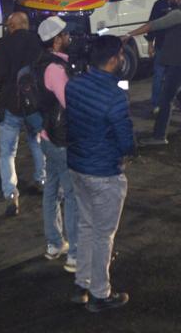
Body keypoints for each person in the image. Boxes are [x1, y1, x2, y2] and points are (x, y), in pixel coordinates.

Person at [65, 35, 135, 312]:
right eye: (120, 54)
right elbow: (126, 140)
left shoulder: (74, 86)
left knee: (86, 226)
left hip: (78, 166)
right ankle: (100, 293)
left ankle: (82, 283)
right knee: (104, 234)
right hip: (104, 171)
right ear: (113, 59)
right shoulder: (115, 96)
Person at [122, 0, 181, 146]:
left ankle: (159, 136)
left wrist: (129, 35)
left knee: (165, 99)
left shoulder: (179, 13)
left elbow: (153, 25)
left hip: (180, 63)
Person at [35, 16, 79, 273]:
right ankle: (74, 254)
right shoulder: (55, 69)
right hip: (61, 141)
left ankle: (54, 244)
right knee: (71, 196)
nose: (68, 38)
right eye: (64, 34)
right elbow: (69, 104)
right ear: (56, 40)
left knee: (52, 191)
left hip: (46, 137)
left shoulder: (39, 64)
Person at [0, 11, 46, 216]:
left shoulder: (3, 44)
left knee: (7, 151)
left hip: (10, 101)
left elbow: (0, 73)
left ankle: (10, 193)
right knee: (37, 141)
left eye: (8, 25)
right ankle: (42, 179)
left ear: (14, 26)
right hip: (33, 102)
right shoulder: (37, 41)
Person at [145, 0, 171, 116]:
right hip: (161, 45)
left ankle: (168, 103)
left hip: (176, 47)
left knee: (172, 77)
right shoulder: (160, 4)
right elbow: (152, 24)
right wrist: (150, 44)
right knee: (159, 76)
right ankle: (156, 104)